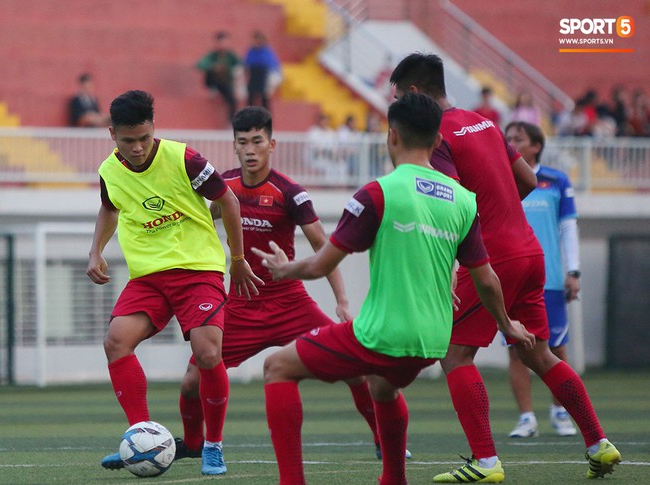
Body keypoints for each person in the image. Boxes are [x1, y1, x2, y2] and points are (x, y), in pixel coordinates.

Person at [252, 92, 535, 485]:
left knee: (277, 367)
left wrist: (286, 269)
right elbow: (486, 278)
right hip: (434, 339)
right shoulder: (463, 200)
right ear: (438, 142)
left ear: (392, 137)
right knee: (381, 387)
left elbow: (321, 264)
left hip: (383, 335)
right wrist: (507, 326)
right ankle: (394, 479)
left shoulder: (377, 193)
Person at [389, 53, 621, 482]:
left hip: (493, 257)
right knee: (539, 354)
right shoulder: (485, 123)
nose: (396, 107)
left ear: (414, 94)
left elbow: (448, 200)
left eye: (398, 98)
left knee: (455, 353)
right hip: (531, 252)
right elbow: (530, 181)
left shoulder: (437, 135)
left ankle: (486, 462)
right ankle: (598, 444)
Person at [173, 106, 410, 470]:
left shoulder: (290, 193)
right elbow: (198, 222)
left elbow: (324, 247)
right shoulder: (226, 188)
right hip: (240, 305)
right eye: (242, 142)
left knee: (356, 370)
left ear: (272, 144)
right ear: (234, 147)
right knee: (191, 381)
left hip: (290, 303)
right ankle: (198, 445)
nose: (250, 149)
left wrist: (342, 302)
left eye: (257, 141)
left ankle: (382, 440)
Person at [85, 90, 263, 477]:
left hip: (198, 270)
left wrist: (237, 260)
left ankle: (212, 447)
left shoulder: (185, 159)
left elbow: (228, 201)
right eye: (127, 140)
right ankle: (142, 436)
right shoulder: (109, 171)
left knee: (207, 352)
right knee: (116, 341)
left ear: (154, 129)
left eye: (144, 139)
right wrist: (95, 250)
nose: (136, 148)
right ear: (112, 133)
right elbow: (109, 207)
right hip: (148, 278)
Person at [504, 121, 580, 439]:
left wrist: (573, 271)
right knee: (517, 349)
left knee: (557, 348)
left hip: (548, 279)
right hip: (511, 278)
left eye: (517, 139)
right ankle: (526, 418)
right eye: (507, 139)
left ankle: (560, 410)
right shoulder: (500, 179)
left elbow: (567, 227)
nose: (511, 143)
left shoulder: (556, 181)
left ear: (536, 145)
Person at [196, 31, 242, 124]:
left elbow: (239, 65)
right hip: (214, 81)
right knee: (211, 73)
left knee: (232, 99)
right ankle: (212, 90)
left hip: (226, 82)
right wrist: (213, 67)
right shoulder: (212, 55)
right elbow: (201, 64)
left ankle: (231, 121)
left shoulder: (231, 56)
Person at [244, 31, 281, 111]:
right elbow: (246, 63)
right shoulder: (251, 51)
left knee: (264, 97)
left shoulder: (267, 51)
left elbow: (271, 65)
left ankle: (266, 117)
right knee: (251, 96)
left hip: (265, 75)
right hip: (253, 75)